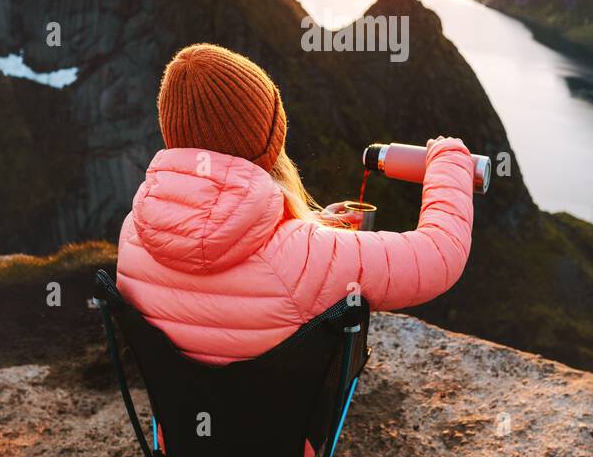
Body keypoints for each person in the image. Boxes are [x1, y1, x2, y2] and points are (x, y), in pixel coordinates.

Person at [116, 43, 474, 364]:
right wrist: (450, 162)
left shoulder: (134, 233)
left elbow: (222, 246)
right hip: (285, 440)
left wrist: (315, 223)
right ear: (270, 139)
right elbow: (440, 254)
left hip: (180, 434)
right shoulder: (306, 257)